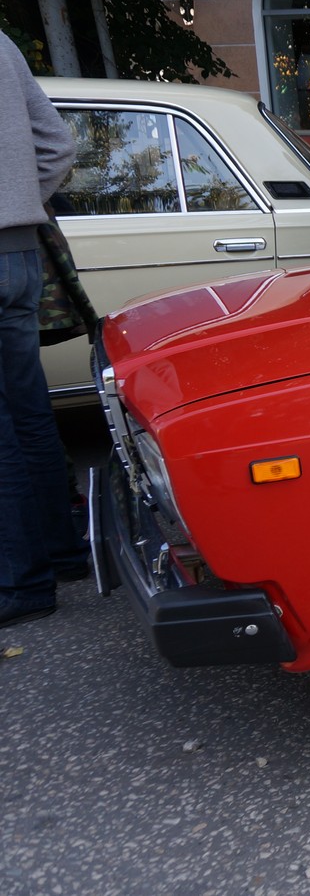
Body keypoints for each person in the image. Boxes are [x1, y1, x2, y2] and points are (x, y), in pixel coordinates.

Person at [1, 32, 91, 629]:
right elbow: (58, 144)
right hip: (19, 255)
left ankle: (23, 583)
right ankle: (64, 553)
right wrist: (16, 203)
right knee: (28, 410)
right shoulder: (2, 44)